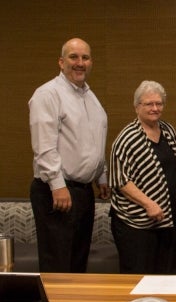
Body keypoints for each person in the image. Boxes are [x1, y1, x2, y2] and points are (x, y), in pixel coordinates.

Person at [29, 37, 109, 273]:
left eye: (85, 57)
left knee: (77, 265)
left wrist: (101, 176)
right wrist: (57, 184)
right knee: (58, 267)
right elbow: (44, 146)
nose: (80, 62)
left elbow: (92, 140)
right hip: (57, 192)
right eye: (74, 57)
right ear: (61, 62)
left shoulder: (89, 97)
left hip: (83, 192)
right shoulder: (48, 94)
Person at [109, 80, 176, 274]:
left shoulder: (168, 130)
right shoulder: (127, 138)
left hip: (168, 220)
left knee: (166, 276)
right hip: (137, 225)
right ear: (137, 107)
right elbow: (120, 180)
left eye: (159, 103)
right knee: (140, 277)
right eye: (148, 104)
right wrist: (148, 203)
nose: (154, 108)